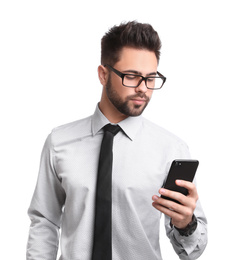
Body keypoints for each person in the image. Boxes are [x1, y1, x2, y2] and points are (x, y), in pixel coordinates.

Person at [27, 21, 208, 260]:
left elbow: (192, 251)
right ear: (103, 74)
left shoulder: (171, 149)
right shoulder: (60, 142)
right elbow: (45, 221)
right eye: (132, 76)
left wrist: (186, 223)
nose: (143, 89)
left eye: (151, 78)